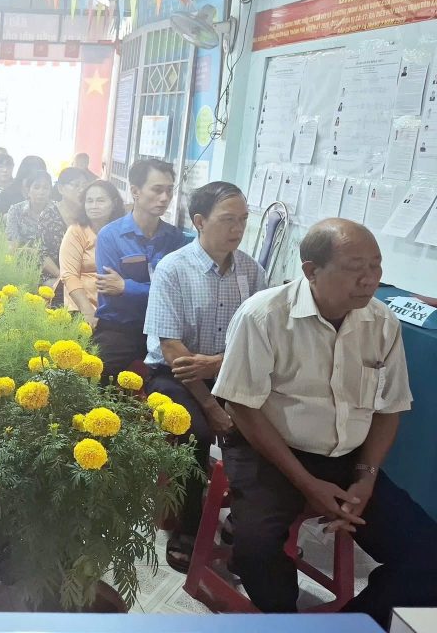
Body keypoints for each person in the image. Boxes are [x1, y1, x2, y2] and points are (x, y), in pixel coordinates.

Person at [213, 219, 437, 628]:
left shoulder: (381, 321)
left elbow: (390, 408)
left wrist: (367, 477)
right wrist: (306, 483)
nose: (370, 279)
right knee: (256, 550)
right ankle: (285, 621)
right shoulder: (264, 315)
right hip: (270, 451)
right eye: (355, 268)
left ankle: (346, 625)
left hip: (347, 457)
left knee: (427, 555)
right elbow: (242, 407)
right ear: (311, 271)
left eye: (376, 266)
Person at [143, 181, 265, 573]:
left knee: (269, 424)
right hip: (174, 375)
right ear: (199, 221)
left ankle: (245, 521)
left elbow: (262, 341)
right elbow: (172, 350)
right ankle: (188, 527)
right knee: (192, 430)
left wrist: (216, 365)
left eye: (243, 219)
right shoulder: (173, 269)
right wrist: (212, 407)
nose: (238, 229)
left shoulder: (251, 271)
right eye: (228, 219)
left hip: (228, 371)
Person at [94, 159, 186, 378]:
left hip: (164, 331)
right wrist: (157, 292)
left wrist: (126, 287)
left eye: (169, 190)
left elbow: (179, 295)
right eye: (157, 189)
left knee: (179, 381)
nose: (165, 198)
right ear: (135, 191)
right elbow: (111, 295)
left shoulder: (176, 238)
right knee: (96, 378)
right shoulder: (110, 236)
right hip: (119, 329)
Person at [60, 179, 125, 327]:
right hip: (80, 307)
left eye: (100, 201)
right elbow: (69, 275)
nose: (94, 206)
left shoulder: (122, 231)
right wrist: (88, 312)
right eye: (89, 201)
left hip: (116, 306)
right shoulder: (76, 231)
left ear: (114, 203)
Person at [37, 167, 91, 302]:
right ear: (61, 188)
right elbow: (42, 254)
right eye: (76, 185)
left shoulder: (90, 214)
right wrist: (65, 277)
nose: (81, 190)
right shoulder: (49, 216)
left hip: (85, 274)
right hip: (56, 274)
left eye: (84, 185)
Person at [5, 169, 53, 250]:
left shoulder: (57, 211)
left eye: (45, 188)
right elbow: (12, 241)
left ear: (50, 191)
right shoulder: (16, 210)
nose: (41, 192)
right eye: (36, 187)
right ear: (28, 190)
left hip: (51, 256)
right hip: (20, 254)